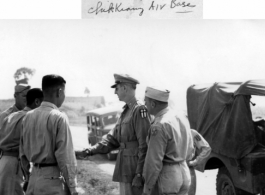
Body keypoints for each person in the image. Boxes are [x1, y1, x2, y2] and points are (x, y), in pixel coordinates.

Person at [76, 73, 151, 195]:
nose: (115, 92)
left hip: (134, 171)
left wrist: (139, 173)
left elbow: (145, 145)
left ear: (125, 88)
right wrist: (90, 151)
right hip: (125, 169)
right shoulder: (126, 111)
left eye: (117, 88)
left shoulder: (139, 109)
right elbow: (111, 139)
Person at [20, 75, 78, 195]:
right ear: (59, 91)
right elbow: (65, 156)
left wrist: (27, 177)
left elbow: (22, 153)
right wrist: (73, 187)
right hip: (52, 181)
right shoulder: (59, 117)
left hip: (33, 179)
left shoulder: (27, 117)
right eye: (64, 92)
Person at [142, 86, 194, 195]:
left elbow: (153, 161)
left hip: (169, 176)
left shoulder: (159, 125)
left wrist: (147, 187)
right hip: (184, 171)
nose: (144, 105)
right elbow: (190, 148)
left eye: (145, 102)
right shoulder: (180, 116)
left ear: (153, 104)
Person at [0, 88, 44, 195]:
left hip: (4, 161)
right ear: (37, 102)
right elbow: (28, 149)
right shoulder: (30, 118)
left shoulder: (11, 115)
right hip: (16, 163)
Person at [187, 129, 211, 195]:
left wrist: (195, 162)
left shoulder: (192, 133)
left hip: (188, 167)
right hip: (172, 168)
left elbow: (206, 148)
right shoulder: (170, 131)